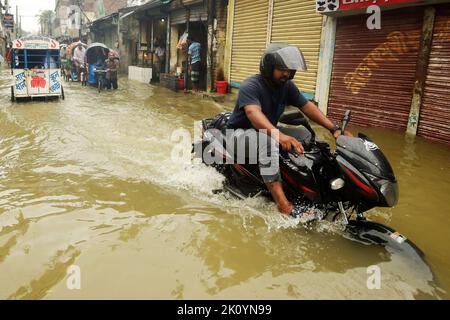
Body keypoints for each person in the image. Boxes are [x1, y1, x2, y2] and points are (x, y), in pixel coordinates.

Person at [226, 43, 353, 219]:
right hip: (238, 135)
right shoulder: (251, 85)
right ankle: (283, 204)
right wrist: (279, 135)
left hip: (265, 130)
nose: (287, 74)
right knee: (268, 143)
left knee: (307, 136)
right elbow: (252, 113)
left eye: (290, 70)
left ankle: (312, 186)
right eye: (282, 69)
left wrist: (333, 128)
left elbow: (307, 107)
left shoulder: (287, 87)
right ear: (268, 68)